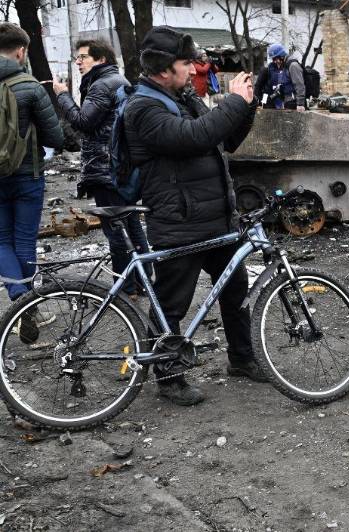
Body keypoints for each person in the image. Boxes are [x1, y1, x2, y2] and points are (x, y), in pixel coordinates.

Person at [122, 25, 260, 406]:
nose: (193, 67)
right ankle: (169, 379)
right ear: (164, 68)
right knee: (171, 304)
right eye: (185, 62)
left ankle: (243, 359)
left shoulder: (182, 95)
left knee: (234, 291)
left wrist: (247, 104)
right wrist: (232, 103)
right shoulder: (143, 107)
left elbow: (224, 139)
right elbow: (194, 137)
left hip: (214, 217)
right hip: (179, 220)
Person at [52, 39, 150, 298]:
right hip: (119, 165)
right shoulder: (118, 81)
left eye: (83, 57)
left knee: (115, 228)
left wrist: (62, 95)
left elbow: (83, 122)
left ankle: (126, 287)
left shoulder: (100, 86)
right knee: (131, 224)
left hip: (105, 166)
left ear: (101, 59)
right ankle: (142, 281)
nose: (78, 61)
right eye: (77, 58)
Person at [0, 23, 64, 341]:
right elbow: (56, 136)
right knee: (24, 242)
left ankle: (19, 303)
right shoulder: (30, 86)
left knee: (1, 243)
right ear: (21, 51)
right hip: (28, 176)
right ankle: (29, 307)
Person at [254, 43, 305, 110]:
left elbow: (299, 85)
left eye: (275, 59)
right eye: (273, 59)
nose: (275, 62)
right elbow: (258, 86)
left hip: (294, 102)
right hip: (284, 101)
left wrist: (300, 104)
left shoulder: (292, 65)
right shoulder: (281, 67)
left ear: (281, 56)